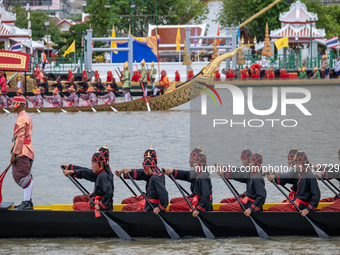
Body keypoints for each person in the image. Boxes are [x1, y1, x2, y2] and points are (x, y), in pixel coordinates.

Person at [267, 150, 320, 216]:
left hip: (301, 207)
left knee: (272, 209)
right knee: (273, 207)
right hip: (297, 204)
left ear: (302, 163)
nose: (295, 166)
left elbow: (316, 196)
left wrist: (308, 210)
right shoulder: (299, 173)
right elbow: (286, 177)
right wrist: (274, 177)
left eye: (297, 164)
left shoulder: (309, 176)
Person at [164, 151, 212, 217]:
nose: (193, 164)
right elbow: (185, 175)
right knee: (173, 201)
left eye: (195, 163)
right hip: (195, 199)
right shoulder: (197, 174)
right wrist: (172, 172)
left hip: (200, 203)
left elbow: (205, 195)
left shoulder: (203, 176)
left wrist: (198, 209)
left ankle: (183, 223)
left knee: (173, 207)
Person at [218, 151, 266, 216]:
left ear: (255, 164)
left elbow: (262, 196)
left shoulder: (257, 177)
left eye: (251, 162)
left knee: (222, 208)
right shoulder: (252, 174)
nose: (249, 164)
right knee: (223, 202)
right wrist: (225, 172)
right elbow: (240, 176)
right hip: (247, 202)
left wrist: (250, 209)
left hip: (249, 205)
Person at [10, 96, 35, 210]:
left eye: (14, 103)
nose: (12, 106)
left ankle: (26, 202)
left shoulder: (21, 118)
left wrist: (14, 154)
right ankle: (27, 202)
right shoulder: (25, 116)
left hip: (22, 151)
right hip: (27, 149)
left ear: (18, 105)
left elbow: (20, 138)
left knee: (20, 176)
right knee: (25, 175)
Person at [118, 146, 158, 211]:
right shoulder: (149, 172)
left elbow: (163, 193)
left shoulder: (156, 175)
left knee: (125, 208)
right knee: (125, 202)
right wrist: (123, 171)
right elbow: (140, 173)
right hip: (146, 196)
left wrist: (161, 207)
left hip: (150, 202)